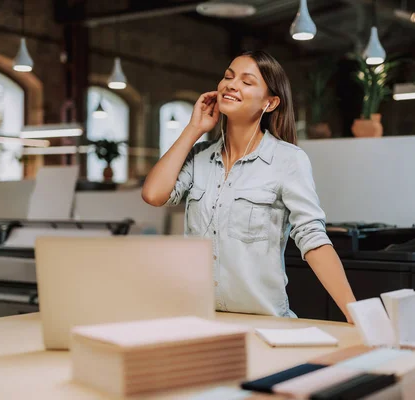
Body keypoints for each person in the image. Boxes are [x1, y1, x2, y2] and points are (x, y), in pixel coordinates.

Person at [142, 50, 356, 322]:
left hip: (264, 322)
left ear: (270, 102)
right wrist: (193, 129)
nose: (231, 84)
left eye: (246, 81)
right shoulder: (199, 157)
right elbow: (153, 194)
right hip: (201, 319)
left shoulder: (288, 160)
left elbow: (313, 239)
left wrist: (355, 314)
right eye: (228, 77)